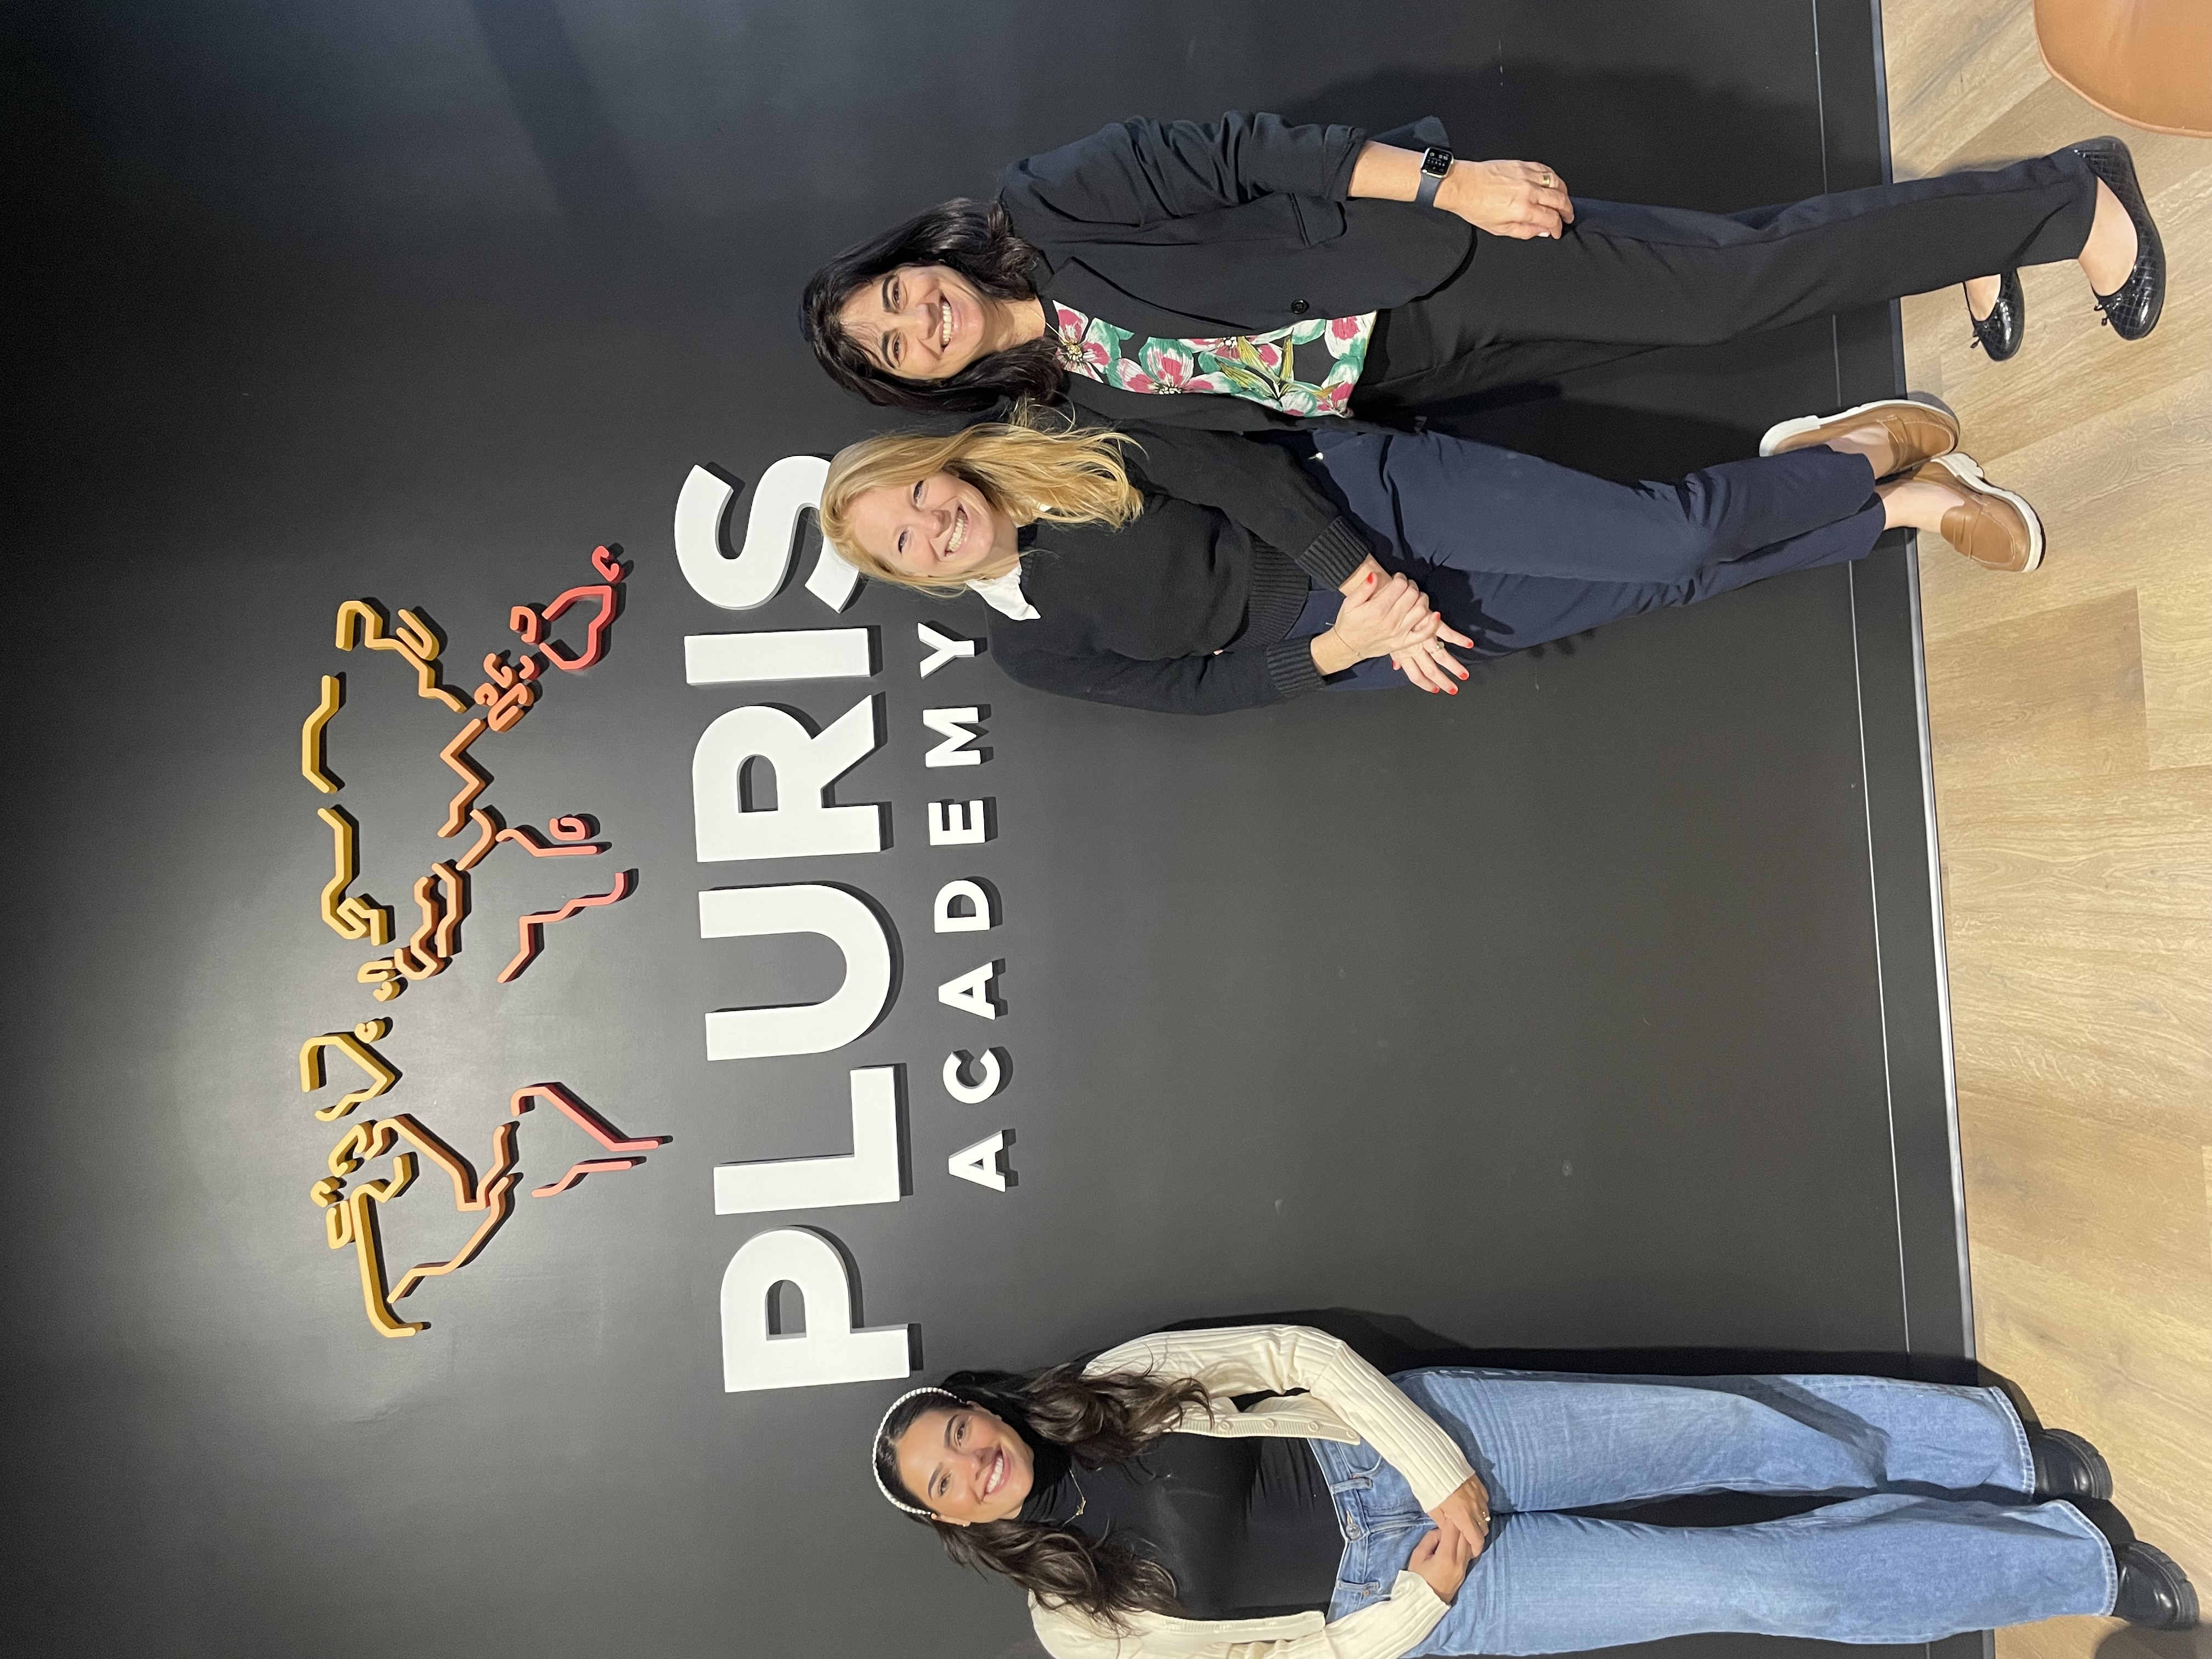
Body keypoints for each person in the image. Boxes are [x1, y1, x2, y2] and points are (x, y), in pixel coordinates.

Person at [870, 1322, 2198, 1657]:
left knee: (1729, 1429)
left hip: (1422, 1443)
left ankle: (1989, 1450)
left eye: (960, 1432)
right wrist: (1422, 1596)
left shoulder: (1111, 1384)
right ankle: (2070, 1563)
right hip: (1431, 1601)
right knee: (1756, 1582)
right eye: (946, 1478)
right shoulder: (1074, 1627)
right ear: (950, 1519)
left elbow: (1293, 1357)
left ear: (983, 1408)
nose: (972, 1460)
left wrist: (1437, 1471)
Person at [800, 114, 2164, 430]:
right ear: (921, 380)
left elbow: (1245, 151)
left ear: (919, 258)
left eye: (898, 293)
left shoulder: (1048, 204)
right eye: (898, 345)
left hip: (1430, 257)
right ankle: (1988, 226)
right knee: (1724, 277)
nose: (920, 319)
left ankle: (2069, 199)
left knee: (1726, 287)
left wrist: (1449, 183)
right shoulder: (1069, 390)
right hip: (1426, 363)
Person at [815, 398, 2040, 717]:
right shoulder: (1030, 650)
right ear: (912, 573)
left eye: (917, 490)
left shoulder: (1055, 444)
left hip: (1364, 504)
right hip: (1347, 633)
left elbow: (1240, 475)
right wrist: (1349, 642)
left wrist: (1360, 579)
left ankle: (1849, 453)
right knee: (1663, 580)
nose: (933, 519)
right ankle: (1903, 506)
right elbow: (1194, 691)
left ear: (938, 462)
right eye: (905, 539)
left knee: (1669, 530)